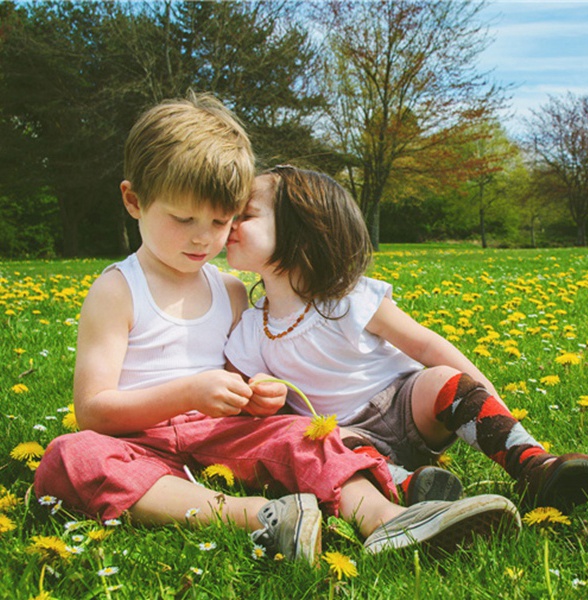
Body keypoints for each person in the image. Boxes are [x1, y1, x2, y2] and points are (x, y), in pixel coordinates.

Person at [33, 94, 522, 565]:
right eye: (183, 218)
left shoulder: (229, 291)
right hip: (136, 440)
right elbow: (93, 410)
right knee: (71, 456)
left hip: (222, 435)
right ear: (134, 200)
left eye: (222, 220)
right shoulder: (118, 290)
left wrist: (254, 395)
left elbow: (238, 380)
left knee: (298, 433)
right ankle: (256, 517)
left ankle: (387, 519)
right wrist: (190, 393)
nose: (204, 236)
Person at [224, 166, 588, 515]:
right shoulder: (251, 327)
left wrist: (485, 393)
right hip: (345, 432)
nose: (229, 224)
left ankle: (533, 464)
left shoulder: (349, 299)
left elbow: (425, 346)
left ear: (301, 230)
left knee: (440, 379)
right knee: (332, 448)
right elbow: (243, 402)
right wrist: (258, 397)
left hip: (405, 405)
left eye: (246, 215)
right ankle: (414, 487)